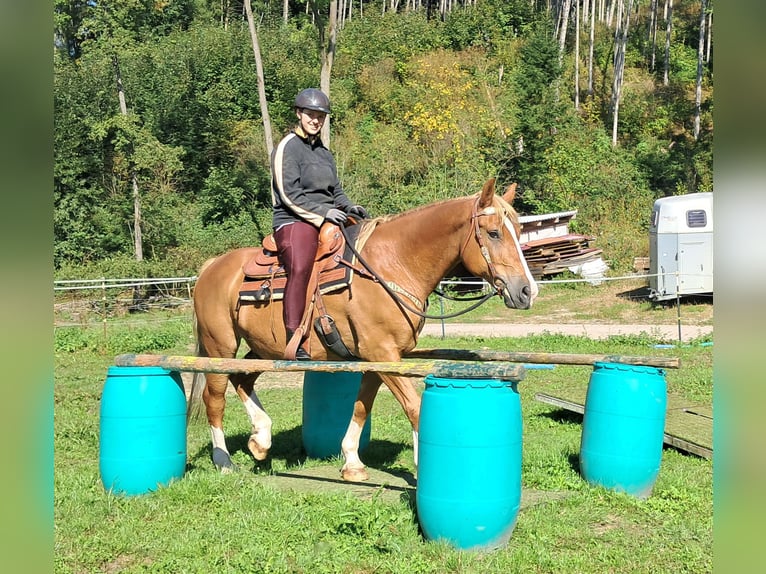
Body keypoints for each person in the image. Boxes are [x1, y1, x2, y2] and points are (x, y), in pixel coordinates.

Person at [271, 88, 368, 360]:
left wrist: (348, 206)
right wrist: (324, 212)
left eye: (320, 117)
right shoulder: (286, 147)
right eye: (311, 115)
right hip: (294, 219)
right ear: (298, 114)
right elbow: (289, 194)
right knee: (301, 267)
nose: (316, 120)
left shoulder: (324, 152)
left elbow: (335, 189)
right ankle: (294, 336)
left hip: (327, 215)